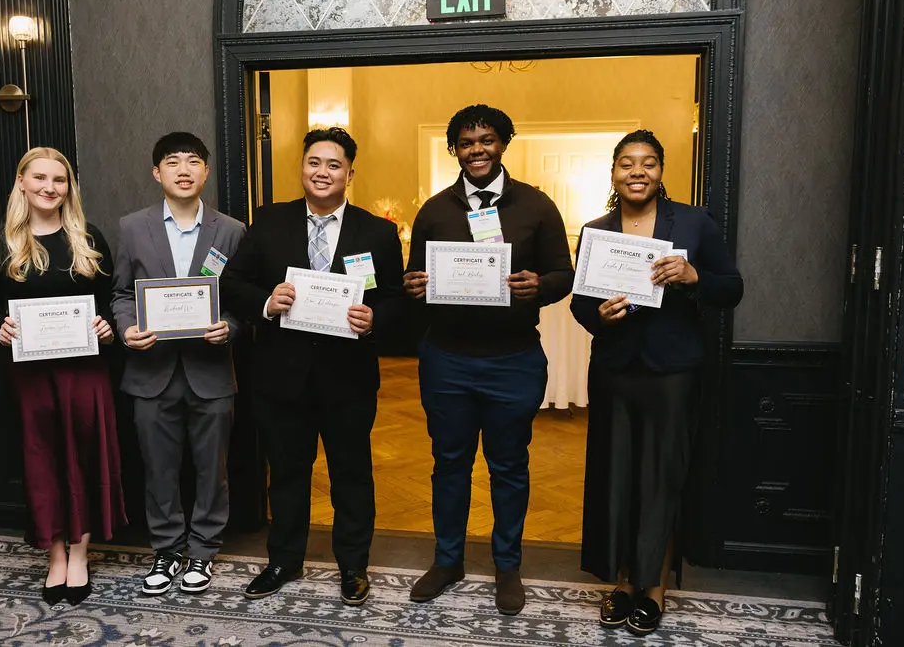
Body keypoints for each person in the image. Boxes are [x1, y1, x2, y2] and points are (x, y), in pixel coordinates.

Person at [570, 130, 743, 635]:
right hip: (615, 370)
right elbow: (580, 304)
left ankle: (655, 588)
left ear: (661, 171)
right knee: (618, 476)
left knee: (661, 477)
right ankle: (625, 583)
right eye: (627, 163)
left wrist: (693, 277)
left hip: (673, 372)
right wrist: (599, 315)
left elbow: (731, 287)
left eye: (648, 163)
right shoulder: (596, 230)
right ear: (614, 173)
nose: (637, 172)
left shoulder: (692, 222)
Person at [404, 104, 575, 615]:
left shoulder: (537, 206)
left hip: (513, 359)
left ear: (503, 144)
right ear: (454, 149)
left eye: (486, 140)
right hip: (447, 360)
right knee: (449, 464)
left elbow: (563, 274)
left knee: (509, 466)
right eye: (466, 142)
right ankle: (448, 561)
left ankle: (507, 567)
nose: (476, 149)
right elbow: (414, 278)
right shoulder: (434, 210)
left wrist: (539, 285)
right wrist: (414, 286)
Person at [224, 126, 405, 606]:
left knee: (351, 474)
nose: (322, 172)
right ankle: (284, 560)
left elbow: (395, 299)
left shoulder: (378, 231)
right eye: (313, 162)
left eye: (333, 165)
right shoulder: (269, 221)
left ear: (350, 173)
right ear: (302, 167)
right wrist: (267, 302)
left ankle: (353, 565)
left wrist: (374, 319)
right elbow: (232, 282)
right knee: (286, 473)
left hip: (349, 378)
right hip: (281, 377)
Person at [0, 147, 126, 606]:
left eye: (59, 180)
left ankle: (80, 554)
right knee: (43, 463)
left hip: (85, 371)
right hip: (30, 374)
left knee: (85, 458)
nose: (49, 187)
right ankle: (55, 555)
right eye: (39, 178)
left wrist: (107, 326)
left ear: (69, 187)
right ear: (21, 182)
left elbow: (111, 298)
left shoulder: (88, 237)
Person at [110, 132, 246, 596]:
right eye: (172, 162)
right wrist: (127, 328)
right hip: (151, 371)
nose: (183, 170)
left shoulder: (231, 230)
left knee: (213, 469)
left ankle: (203, 551)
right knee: (159, 469)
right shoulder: (132, 227)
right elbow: (121, 293)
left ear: (206, 172)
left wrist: (230, 327)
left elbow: (240, 302)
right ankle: (167, 549)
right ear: (157, 173)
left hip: (211, 372)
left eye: (193, 162)